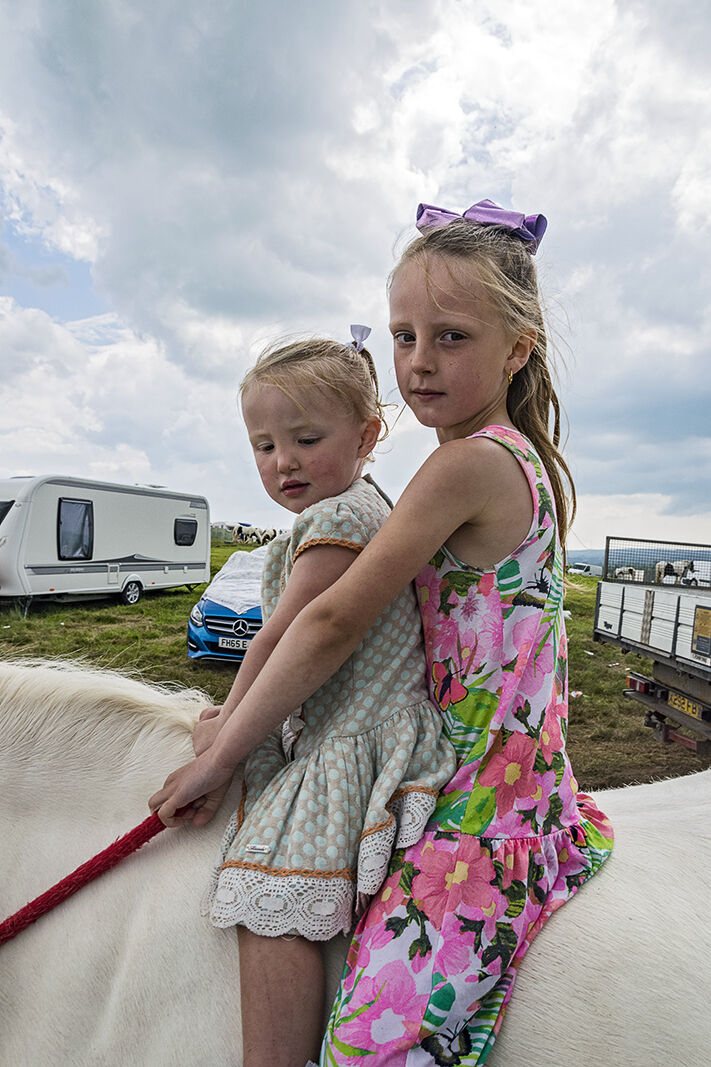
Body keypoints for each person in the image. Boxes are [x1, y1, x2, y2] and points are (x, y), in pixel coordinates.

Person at [153, 197, 615, 1066]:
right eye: (403, 336)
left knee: (370, 1044)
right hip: (507, 771)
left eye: (450, 336)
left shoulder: (468, 462)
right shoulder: (516, 455)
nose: (418, 362)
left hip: (483, 804)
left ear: (518, 347)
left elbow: (329, 619)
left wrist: (221, 755)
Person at [149, 330, 457, 1067]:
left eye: (305, 437)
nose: (282, 461)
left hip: (357, 735)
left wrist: (222, 749)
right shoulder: (347, 506)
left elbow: (290, 635)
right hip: (344, 723)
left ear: (367, 434)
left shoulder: (340, 516)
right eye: (262, 445)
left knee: (268, 890)